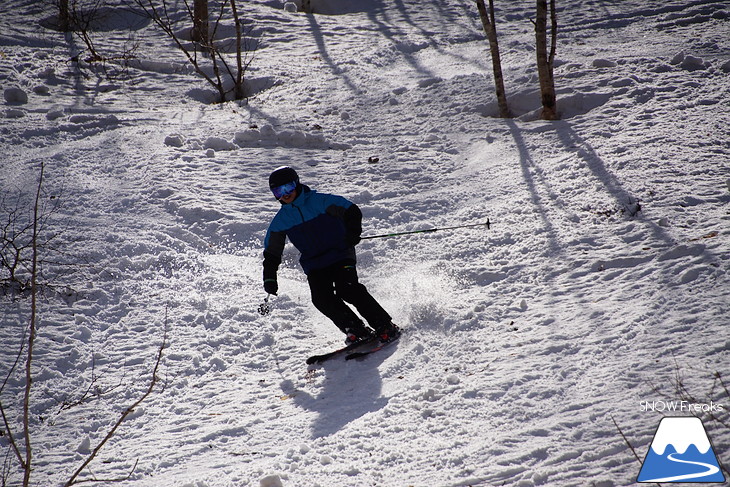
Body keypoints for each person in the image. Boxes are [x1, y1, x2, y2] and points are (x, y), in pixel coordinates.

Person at [262, 166, 400, 345]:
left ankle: (384, 325)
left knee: (348, 289)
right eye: (278, 191)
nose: (284, 194)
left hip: (340, 253)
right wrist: (270, 278)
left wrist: (352, 232)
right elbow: (272, 253)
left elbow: (351, 210)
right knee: (321, 298)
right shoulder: (280, 221)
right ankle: (355, 329)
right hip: (315, 263)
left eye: (288, 188)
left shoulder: (320, 201)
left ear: (297, 183)